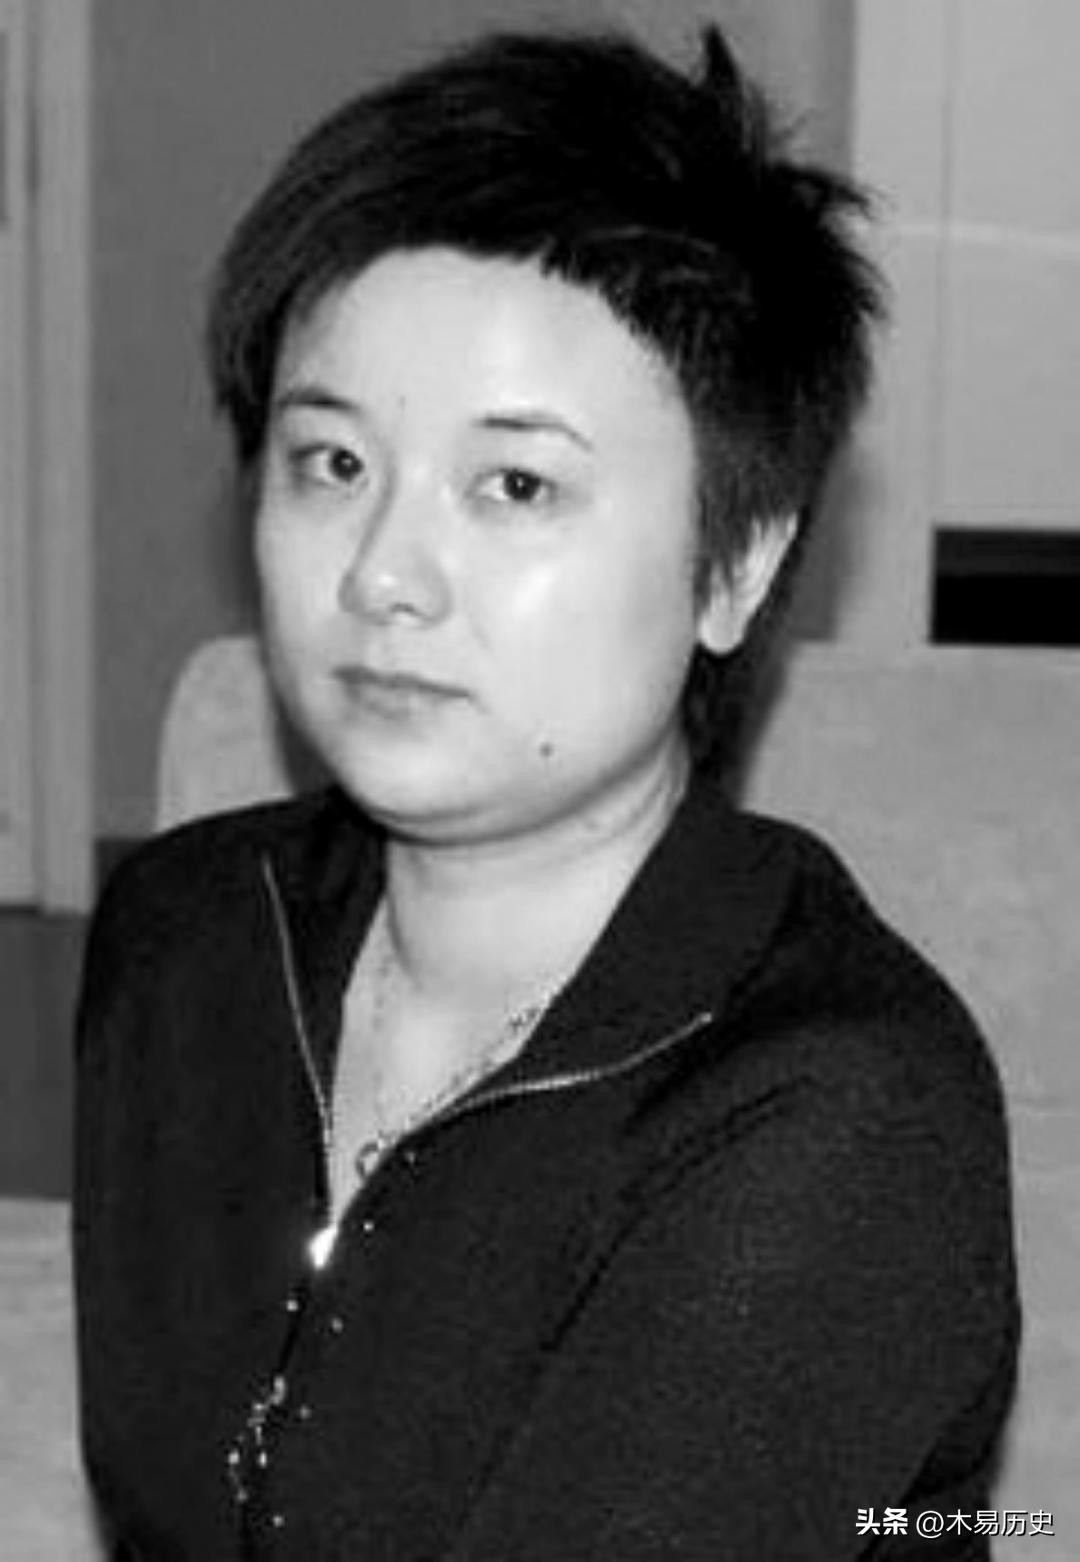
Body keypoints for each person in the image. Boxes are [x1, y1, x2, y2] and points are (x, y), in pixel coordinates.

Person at [74, 24, 1019, 1561]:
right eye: (331, 463)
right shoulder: (184, 940)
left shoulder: (839, 1112)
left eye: (514, 484)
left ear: (736, 562)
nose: (383, 574)